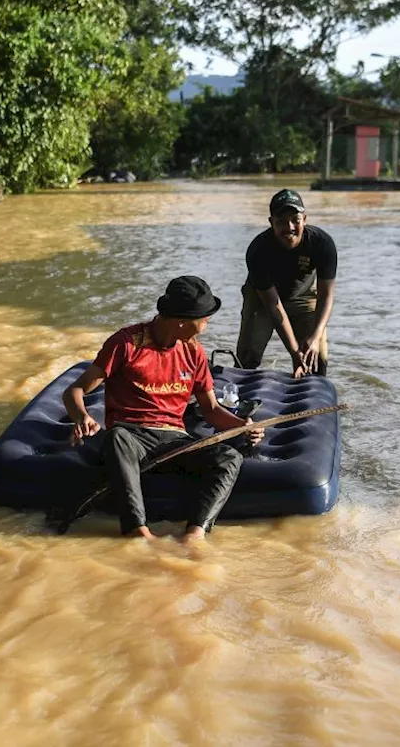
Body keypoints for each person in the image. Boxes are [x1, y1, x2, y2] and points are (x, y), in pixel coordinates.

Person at [61, 276, 264, 544]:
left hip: (174, 439)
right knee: (116, 438)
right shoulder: (126, 343)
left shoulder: (194, 352)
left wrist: (242, 426)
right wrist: (83, 417)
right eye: (203, 319)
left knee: (228, 457)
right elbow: (73, 391)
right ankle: (139, 533)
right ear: (180, 321)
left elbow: (212, 409)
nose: (206, 324)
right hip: (130, 437)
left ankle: (194, 535)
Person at [236, 189, 337, 377]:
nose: (289, 227)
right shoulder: (258, 251)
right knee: (247, 358)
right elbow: (274, 307)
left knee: (316, 360)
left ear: (304, 219)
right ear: (271, 223)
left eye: (295, 220)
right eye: (281, 221)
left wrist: (315, 337)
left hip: (303, 296)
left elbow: (326, 295)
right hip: (262, 300)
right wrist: (293, 352)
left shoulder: (322, 244)